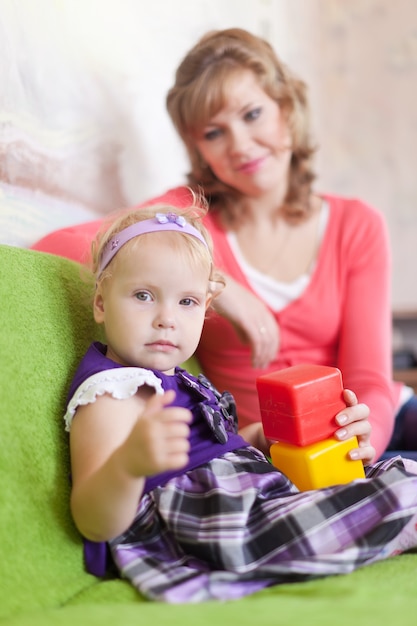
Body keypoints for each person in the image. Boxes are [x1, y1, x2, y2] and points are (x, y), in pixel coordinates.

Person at [33, 28, 417, 461]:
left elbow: (368, 376)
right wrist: (223, 283)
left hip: (372, 428)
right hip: (275, 451)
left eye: (252, 114)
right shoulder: (183, 221)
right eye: (214, 133)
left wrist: (370, 436)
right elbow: (55, 244)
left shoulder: (357, 224)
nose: (239, 145)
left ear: (286, 108)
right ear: (199, 150)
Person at [65, 201, 417, 604]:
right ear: (100, 303)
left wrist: (265, 437)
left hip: (247, 502)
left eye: (187, 302)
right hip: (216, 531)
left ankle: (372, 529)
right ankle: (380, 528)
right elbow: (94, 523)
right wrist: (128, 465)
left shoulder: (172, 377)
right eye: (144, 295)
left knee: (397, 471)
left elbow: (220, 451)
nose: (167, 318)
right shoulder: (112, 393)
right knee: (403, 487)